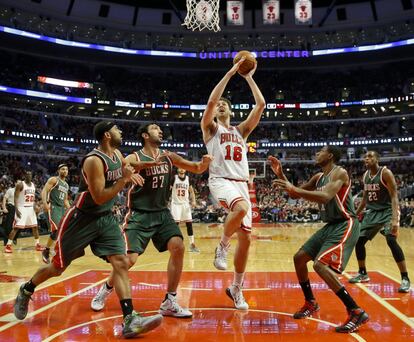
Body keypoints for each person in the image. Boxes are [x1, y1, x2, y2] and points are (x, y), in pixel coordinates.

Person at [13, 121, 162, 338]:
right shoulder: (93, 160)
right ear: (107, 135)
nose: (120, 130)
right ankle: (26, 289)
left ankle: (130, 319)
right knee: (57, 268)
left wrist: (145, 166)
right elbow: (100, 195)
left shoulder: (117, 154)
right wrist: (124, 179)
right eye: (116, 128)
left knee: (121, 262)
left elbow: (126, 168)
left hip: (105, 219)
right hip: (81, 219)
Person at [90, 123, 212, 318]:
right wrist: (140, 168)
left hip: (162, 213)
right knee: (128, 260)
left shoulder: (169, 156)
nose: (161, 130)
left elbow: (195, 168)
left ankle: (170, 300)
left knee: (178, 247)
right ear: (145, 135)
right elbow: (125, 165)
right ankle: (106, 288)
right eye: (155, 128)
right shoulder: (135, 156)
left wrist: (204, 164)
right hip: (139, 214)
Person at [270, 145, 369, 333]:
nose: (316, 154)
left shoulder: (339, 172)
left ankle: (355, 310)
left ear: (330, 155)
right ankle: (310, 303)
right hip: (330, 225)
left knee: (319, 265)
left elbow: (325, 197)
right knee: (299, 258)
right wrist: (281, 174)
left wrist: (292, 187)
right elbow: (294, 193)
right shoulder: (318, 177)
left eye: (320, 151)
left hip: (345, 223)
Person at [200, 58, 265, 310]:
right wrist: (230, 73)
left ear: (232, 111)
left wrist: (248, 77)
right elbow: (211, 102)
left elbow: (261, 104)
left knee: (247, 241)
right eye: (220, 106)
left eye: (226, 105)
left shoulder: (240, 132)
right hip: (220, 180)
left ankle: (236, 288)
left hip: (241, 185)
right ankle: (222, 247)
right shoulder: (210, 129)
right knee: (240, 209)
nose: (221, 106)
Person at [349, 151, 410, 292]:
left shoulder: (385, 173)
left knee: (391, 240)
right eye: (365, 157)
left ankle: (405, 278)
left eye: (370, 157)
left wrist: (395, 219)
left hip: (388, 211)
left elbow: (394, 196)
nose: (366, 159)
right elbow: (364, 199)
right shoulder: (365, 176)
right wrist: (354, 215)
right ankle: (363, 273)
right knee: (358, 241)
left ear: (377, 159)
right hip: (372, 212)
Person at [4, 171, 43, 253]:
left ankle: (37, 244)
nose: (29, 176)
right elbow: (15, 197)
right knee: (16, 228)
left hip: (30, 208)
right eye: (28, 175)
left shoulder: (33, 184)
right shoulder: (20, 184)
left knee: (35, 227)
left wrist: (35, 206)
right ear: (24, 176)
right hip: (22, 208)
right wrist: (17, 209)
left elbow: (33, 197)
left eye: (31, 175)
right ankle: (8, 245)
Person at [40, 164, 71, 264]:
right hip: (52, 206)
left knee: (61, 231)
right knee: (56, 230)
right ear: (58, 171)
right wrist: (44, 203)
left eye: (66, 169)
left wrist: (71, 209)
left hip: (61, 208)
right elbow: (44, 190)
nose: (65, 171)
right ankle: (46, 251)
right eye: (63, 169)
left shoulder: (66, 185)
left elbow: (65, 200)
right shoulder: (54, 179)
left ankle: (54, 250)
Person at [170, 168, 200, 253]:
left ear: (185, 170)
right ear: (177, 169)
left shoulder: (188, 179)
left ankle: (192, 245)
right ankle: (174, 244)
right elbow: (168, 190)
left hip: (185, 204)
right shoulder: (174, 178)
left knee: (189, 224)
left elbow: (191, 191)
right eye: (180, 167)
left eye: (183, 168)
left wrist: (193, 201)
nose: (182, 169)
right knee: (175, 225)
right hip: (176, 204)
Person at [1, 181, 18, 246]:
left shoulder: (22, 191)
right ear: (15, 183)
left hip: (18, 209)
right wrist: (4, 207)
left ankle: (14, 237)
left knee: (21, 225)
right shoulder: (10, 190)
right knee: (8, 227)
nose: (19, 184)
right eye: (18, 182)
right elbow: (4, 198)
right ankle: (6, 242)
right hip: (11, 208)